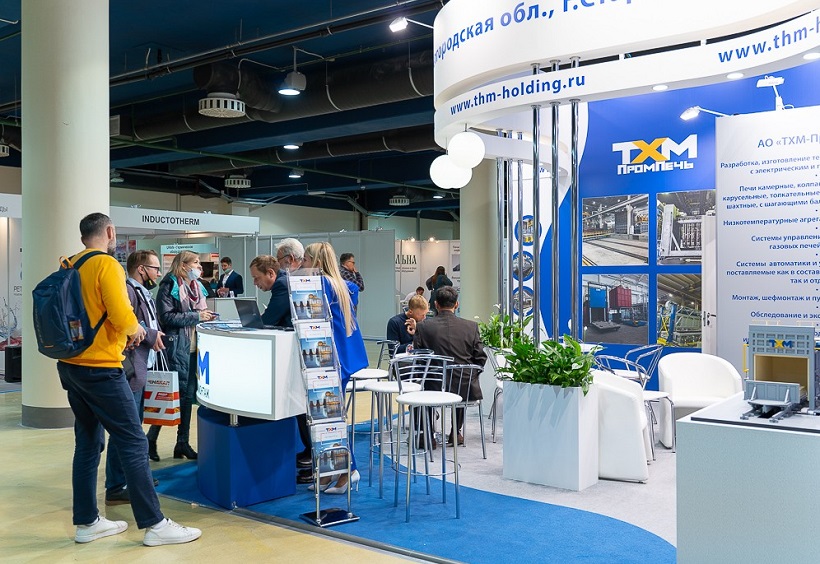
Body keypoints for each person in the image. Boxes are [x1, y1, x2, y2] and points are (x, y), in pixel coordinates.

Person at [56, 213, 201, 546]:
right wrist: (137, 330)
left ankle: (87, 522)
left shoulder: (70, 263)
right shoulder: (106, 264)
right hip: (102, 367)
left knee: (88, 443)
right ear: (110, 232)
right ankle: (155, 524)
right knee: (134, 441)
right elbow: (122, 315)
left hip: (71, 365)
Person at [303, 241, 368, 494]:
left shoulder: (320, 285)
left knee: (327, 420)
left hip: (328, 360)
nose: (303, 265)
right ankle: (331, 472)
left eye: (306, 260)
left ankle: (347, 470)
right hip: (343, 358)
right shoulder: (346, 287)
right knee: (330, 419)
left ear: (316, 262)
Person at [104, 250, 165, 507]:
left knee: (134, 428)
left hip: (141, 368)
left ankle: (134, 479)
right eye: (155, 268)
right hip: (129, 368)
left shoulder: (142, 292)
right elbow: (124, 325)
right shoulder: (128, 291)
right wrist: (150, 335)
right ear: (141, 269)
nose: (158, 273)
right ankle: (116, 485)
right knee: (125, 429)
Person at [146, 251, 216, 462]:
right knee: (169, 395)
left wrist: (205, 317)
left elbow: (197, 313)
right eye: (195, 263)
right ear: (183, 265)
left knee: (186, 397)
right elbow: (166, 317)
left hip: (193, 348)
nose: (199, 267)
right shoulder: (169, 285)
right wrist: (196, 316)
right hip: (176, 348)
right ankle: (151, 439)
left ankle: (182, 442)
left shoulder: (196, 287)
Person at [251, 240, 313, 477]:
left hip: (299, 355)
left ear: (270, 273)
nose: (255, 283)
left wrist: (257, 322)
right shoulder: (285, 282)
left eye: (257, 278)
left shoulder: (282, 284)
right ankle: (309, 451)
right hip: (297, 353)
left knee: (303, 407)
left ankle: (312, 454)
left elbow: (270, 319)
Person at [412, 285, 487, 447]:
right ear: (456, 304)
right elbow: (480, 357)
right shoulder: (471, 327)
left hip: (434, 386)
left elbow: (419, 359)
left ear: (436, 304)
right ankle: (456, 432)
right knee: (461, 381)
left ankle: (427, 434)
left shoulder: (423, 327)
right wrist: (470, 374)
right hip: (464, 386)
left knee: (421, 384)